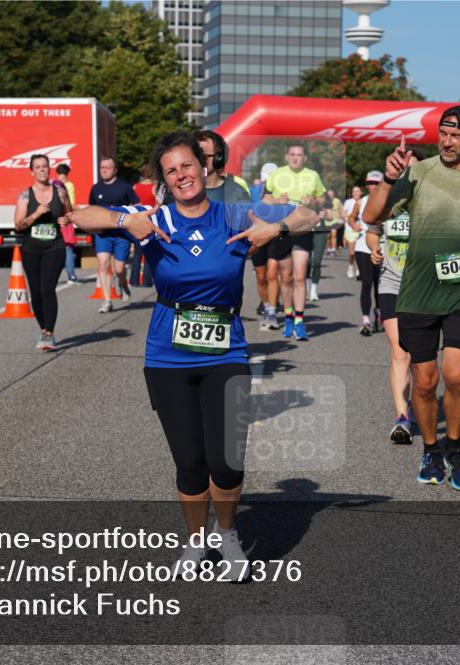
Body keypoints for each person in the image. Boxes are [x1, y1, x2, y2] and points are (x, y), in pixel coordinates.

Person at [65, 131, 318, 580]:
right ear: (164, 179)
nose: (182, 175)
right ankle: (197, 543)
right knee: (190, 463)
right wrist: (127, 223)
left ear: (204, 168)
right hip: (168, 356)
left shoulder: (235, 212)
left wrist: (273, 228)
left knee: (226, 460)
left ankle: (227, 534)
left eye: (188, 165)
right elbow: (80, 216)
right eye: (171, 170)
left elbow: (309, 215)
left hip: (225, 351)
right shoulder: (153, 216)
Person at [365, 107, 460, 491]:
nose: (447, 141)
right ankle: (430, 449)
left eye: (456, 136)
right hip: (418, 292)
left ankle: (456, 448)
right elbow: (371, 214)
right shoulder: (418, 172)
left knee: (456, 375)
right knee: (425, 382)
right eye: (443, 133)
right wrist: (389, 179)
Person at [367, 154, 419, 443]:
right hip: (391, 281)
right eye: (402, 164)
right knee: (400, 352)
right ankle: (402, 417)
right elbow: (372, 231)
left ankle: (421, 403)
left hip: (424, 286)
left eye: (412, 166)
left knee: (422, 359)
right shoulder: (383, 197)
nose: (406, 170)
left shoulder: (428, 199)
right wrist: (375, 248)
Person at [263, 143, 326, 340]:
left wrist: (313, 201)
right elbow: (265, 199)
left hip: (303, 229)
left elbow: (322, 199)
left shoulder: (312, 175)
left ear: (305, 158)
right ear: (286, 156)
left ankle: (299, 320)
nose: (296, 158)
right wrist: (276, 201)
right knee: (286, 277)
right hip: (282, 229)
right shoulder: (276, 175)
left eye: (300, 155)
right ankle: (288, 316)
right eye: (293, 154)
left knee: (300, 276)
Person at [13, 154, 73, 351]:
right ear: (32, 171)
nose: (42, 170)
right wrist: (36, 213)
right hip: (31, 249)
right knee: (36, 293)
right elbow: (19, 226)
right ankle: (43, 328)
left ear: (49, 169)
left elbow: (70, 213)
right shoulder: (24, 196)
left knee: (47, 288)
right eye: (38, 167)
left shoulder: (60, 192)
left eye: (45, 166)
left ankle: (49, 333)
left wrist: (66, 220)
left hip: (54, 247)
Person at [89, 156, 140, 311]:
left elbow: (137, 205)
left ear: (115, 170)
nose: (104, 170)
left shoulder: (124, 187)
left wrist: (131, 220)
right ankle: (107, 301)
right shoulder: (96, 188)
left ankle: (123, 283)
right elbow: (91, 209)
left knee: (119, 269)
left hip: (121, 234)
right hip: (103, 233)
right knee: (103, 263)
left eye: (107, 167)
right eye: (102, 167)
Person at [350, 172, 384, 335]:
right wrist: (354, 225)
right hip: (363, 246)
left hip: (382, 247)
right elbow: (350, 218)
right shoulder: (361, 201)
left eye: (376, 183)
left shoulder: (389, 200)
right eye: (369, 183)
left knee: (380, 285)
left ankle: (379, 312)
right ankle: (365, 320)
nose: (372, 186)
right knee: (366, 283)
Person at [251, 163, 277, 323]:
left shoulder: (280, 191)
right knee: (261, 277)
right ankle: (266, 303)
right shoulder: (252, 191)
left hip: (275, 235)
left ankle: (271, 309)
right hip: (258, 236)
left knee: (273, 274)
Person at [308, 188, 341, 301]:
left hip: (320, 232)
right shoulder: (306, 200)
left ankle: (313, 290)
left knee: (317, 262)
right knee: (306, 262)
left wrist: (324, 214)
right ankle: (307, 288)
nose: (319, 197)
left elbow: (330, 217)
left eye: (321, 195)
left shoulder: (326, 202)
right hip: (305, 232)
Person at [53, 163, 82, 284]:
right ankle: (71, 276)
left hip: (54, 218)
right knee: (68, 248)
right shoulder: (68, 185)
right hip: (65, 218)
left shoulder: (51, 183)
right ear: (67, 173)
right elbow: (70, 204)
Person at [343, 185, 363, 278]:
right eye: (354, 191)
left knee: (359, 251)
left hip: (361, 229)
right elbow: (342, 213)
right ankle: (351, 266)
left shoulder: (364, 201)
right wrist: (350, 217)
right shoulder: (348, 202)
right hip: (350, 228)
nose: (355, 193)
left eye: (357, 191)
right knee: (352, 252)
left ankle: (359, 269)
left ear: (361, 193)